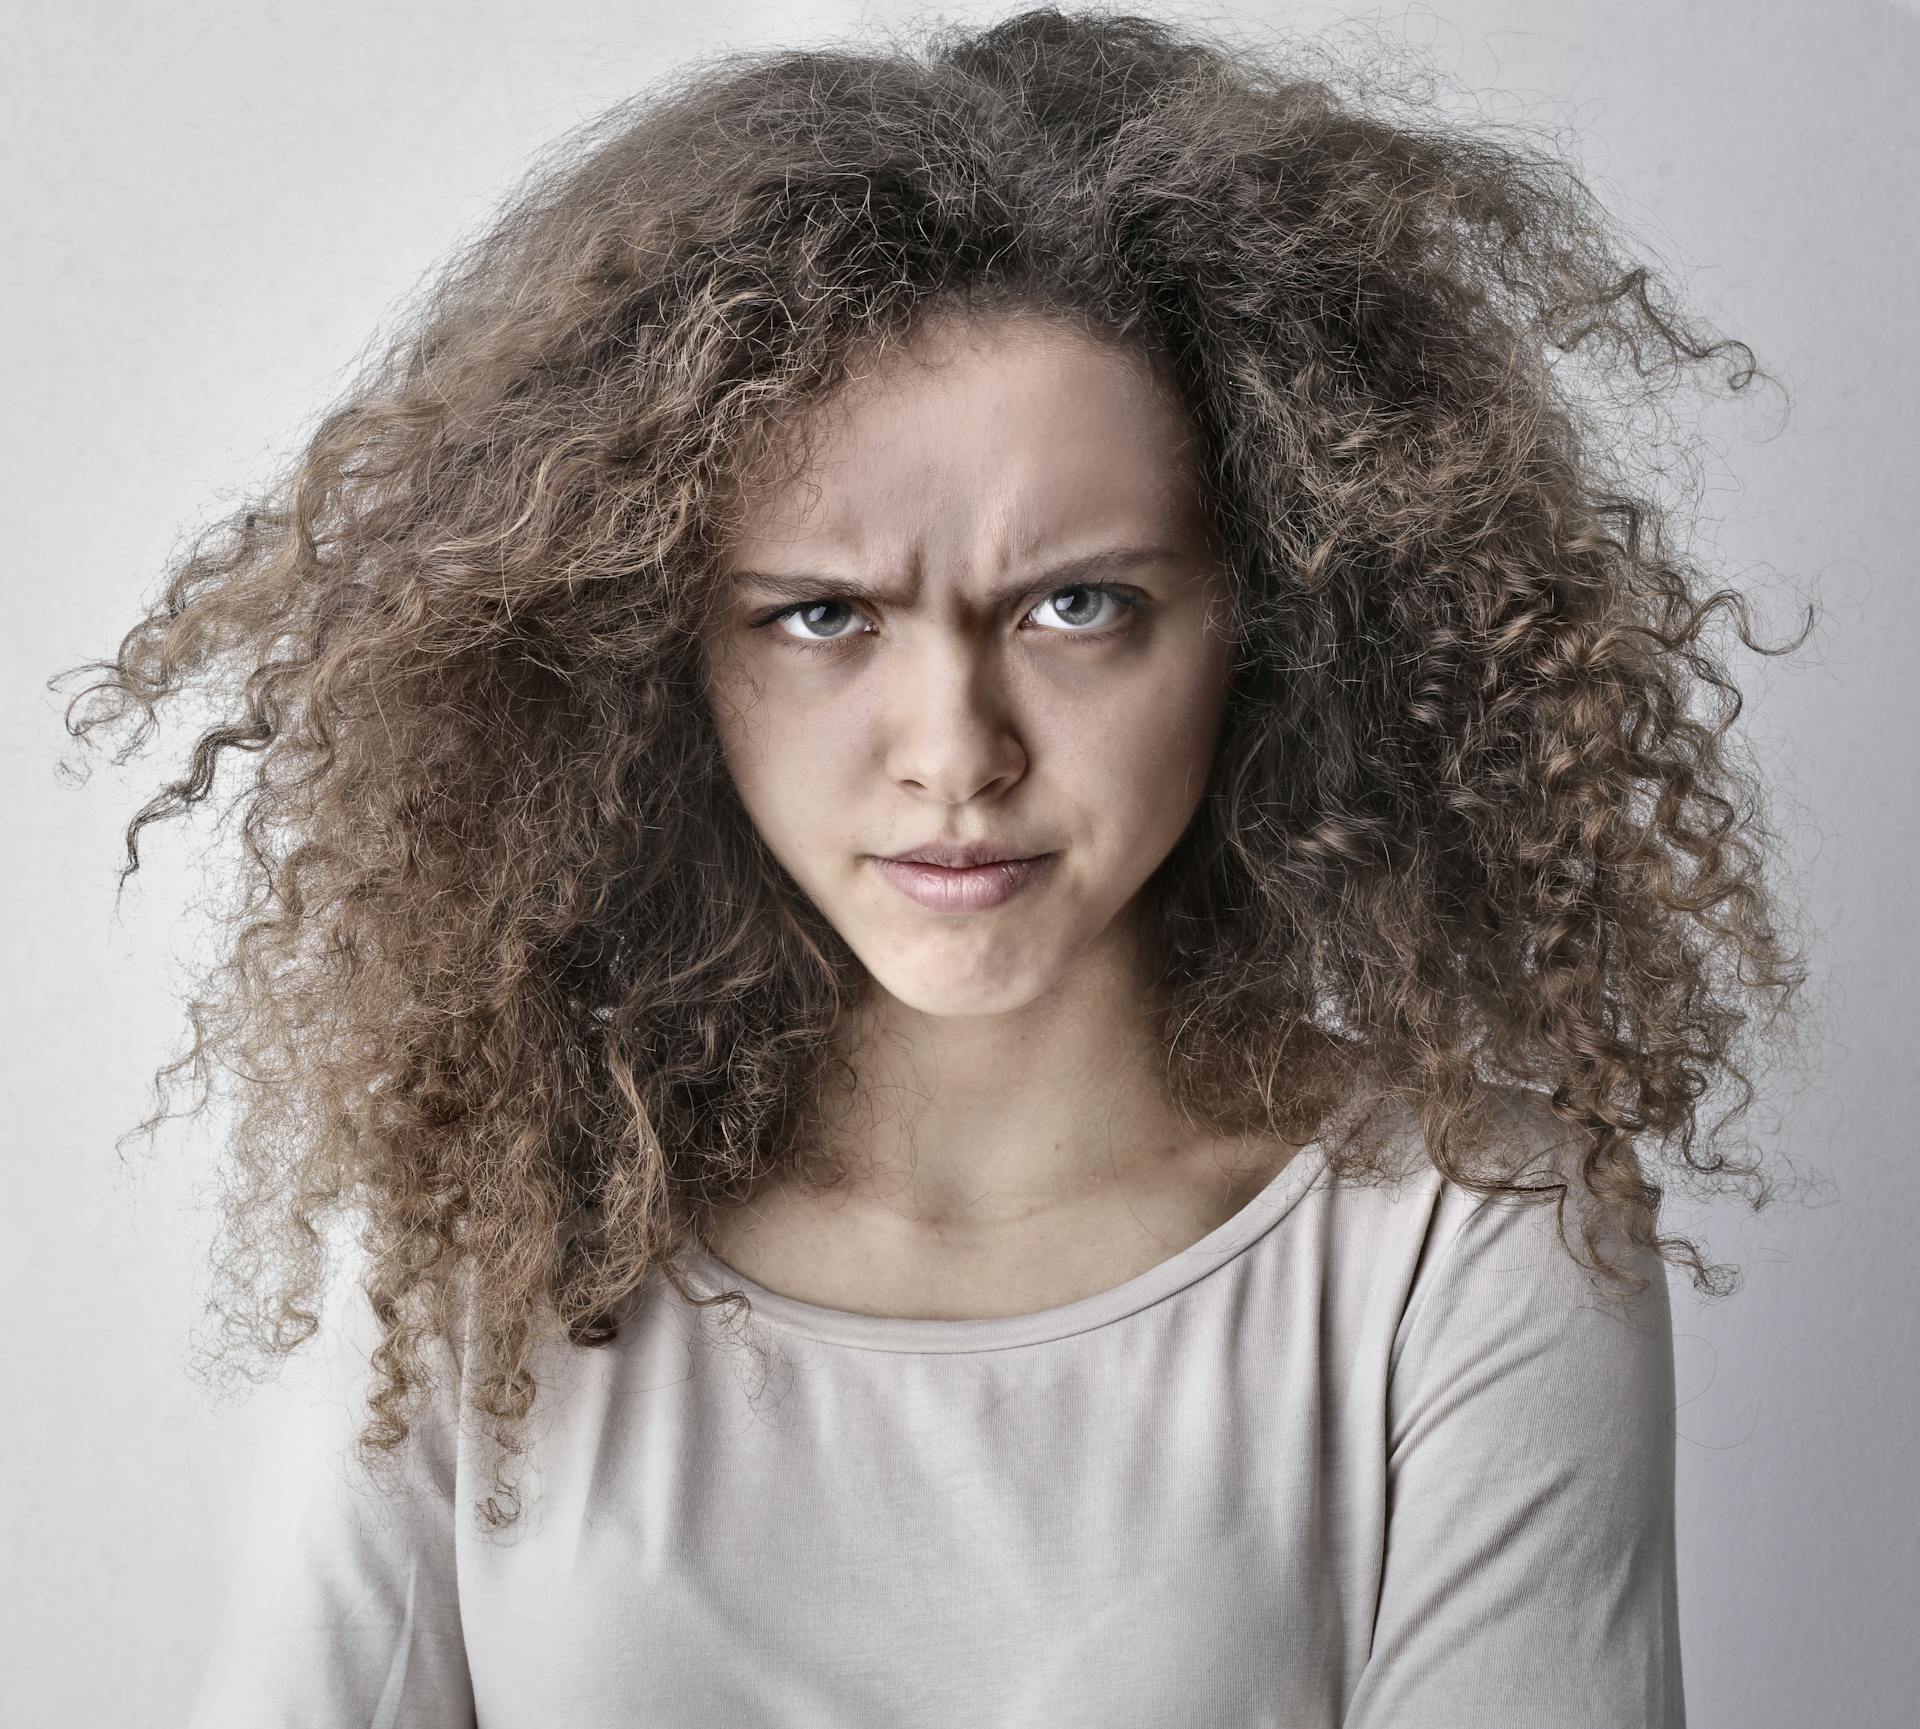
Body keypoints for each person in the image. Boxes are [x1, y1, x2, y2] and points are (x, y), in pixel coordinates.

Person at [54, 8, 1815, 1726]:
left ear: (1268, 628)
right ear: (663, 659)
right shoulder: (477, 1243)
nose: (954, 747)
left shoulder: (1470, 1235)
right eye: (824, 616)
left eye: (1078, 605)